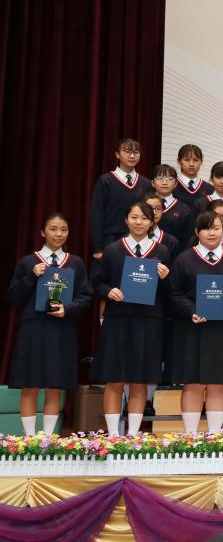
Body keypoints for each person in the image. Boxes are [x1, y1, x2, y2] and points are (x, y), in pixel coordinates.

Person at [91, 202, 172, 436]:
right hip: (118, 320)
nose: (139, 222)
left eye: (144, 218)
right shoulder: (113, 250)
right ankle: (113, 434)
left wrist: (166, 278)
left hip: (149, 321)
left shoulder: (162, 252)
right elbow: (97, 283)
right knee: (114, 379)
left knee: (140, 379)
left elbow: (169, 292)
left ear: (152, 222)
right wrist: (109, 291)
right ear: (126, 220)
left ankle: (133, 435)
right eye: (134, 217)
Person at [8, 213, 92, 436]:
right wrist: (31, 276)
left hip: (61, 329)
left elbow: (85, 297)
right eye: (53, 229)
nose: (59, 234)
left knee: (55, 384)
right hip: (33, 328)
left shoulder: (75, 263)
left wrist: (68, 309)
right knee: (30, 383)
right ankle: (29, 438)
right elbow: (14, 297)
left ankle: (47, 439)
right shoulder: (29, 262)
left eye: (64, 229)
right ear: (43, 232)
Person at [168, 210, 223, 433]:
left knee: (218, 382)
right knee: (193, 382)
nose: (211, 233)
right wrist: (191, 311)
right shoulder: (184, 259)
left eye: (216, 228)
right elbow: (174, 293)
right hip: (193, 328)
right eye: (206, 228)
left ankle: (215, 436)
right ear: (197, 232)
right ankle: (190, 435)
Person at [90, 138, 149, 257]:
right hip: (110, 240)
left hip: (138, 240)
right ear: (117, 154)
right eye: (127, 152)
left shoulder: (146, 183)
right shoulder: (106, 181)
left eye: (136, 152)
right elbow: (97, 214)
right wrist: (98, 247)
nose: (132, 156)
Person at [152, 164, 193, 244]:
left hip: (175, 250)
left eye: (170, 179)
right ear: (153, 183)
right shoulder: (143, 205)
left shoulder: (184, 209)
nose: (164, 182)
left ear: (175, 184)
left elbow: (187, 238)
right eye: (160, 178)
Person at [173, 143, 211, 209]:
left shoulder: (209, 189)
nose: (191, 164)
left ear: (201, 162)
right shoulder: (171, 186)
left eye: (196, 160)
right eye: (187, 160)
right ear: (179, 161)